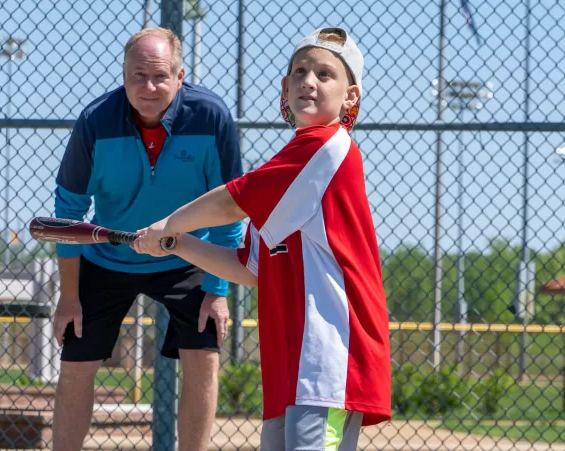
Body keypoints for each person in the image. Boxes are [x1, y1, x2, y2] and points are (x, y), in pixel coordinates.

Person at [133, 27, 392, 450]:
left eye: (325, 74)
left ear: (350, 97)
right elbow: (249, 267)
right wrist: (178, 244)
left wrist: (169, 224)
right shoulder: (288, 174)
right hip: (292, 364)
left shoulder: (327, 147)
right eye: (300, 71)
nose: (309, 80)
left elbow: (233, 200)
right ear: (285, 86)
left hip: (329, 358)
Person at [50, 27, 243, 451]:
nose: (148, 87)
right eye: (138, 75)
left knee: (203, 355)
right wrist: (69, 296)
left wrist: (217, 292)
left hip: (186, 254)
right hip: (107, 257)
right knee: (76, 363)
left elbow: (231, 206)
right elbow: (67, 214)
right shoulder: (94, 121)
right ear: (123, 75)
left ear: (180, 76)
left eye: (159, 76)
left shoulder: (210, 117)